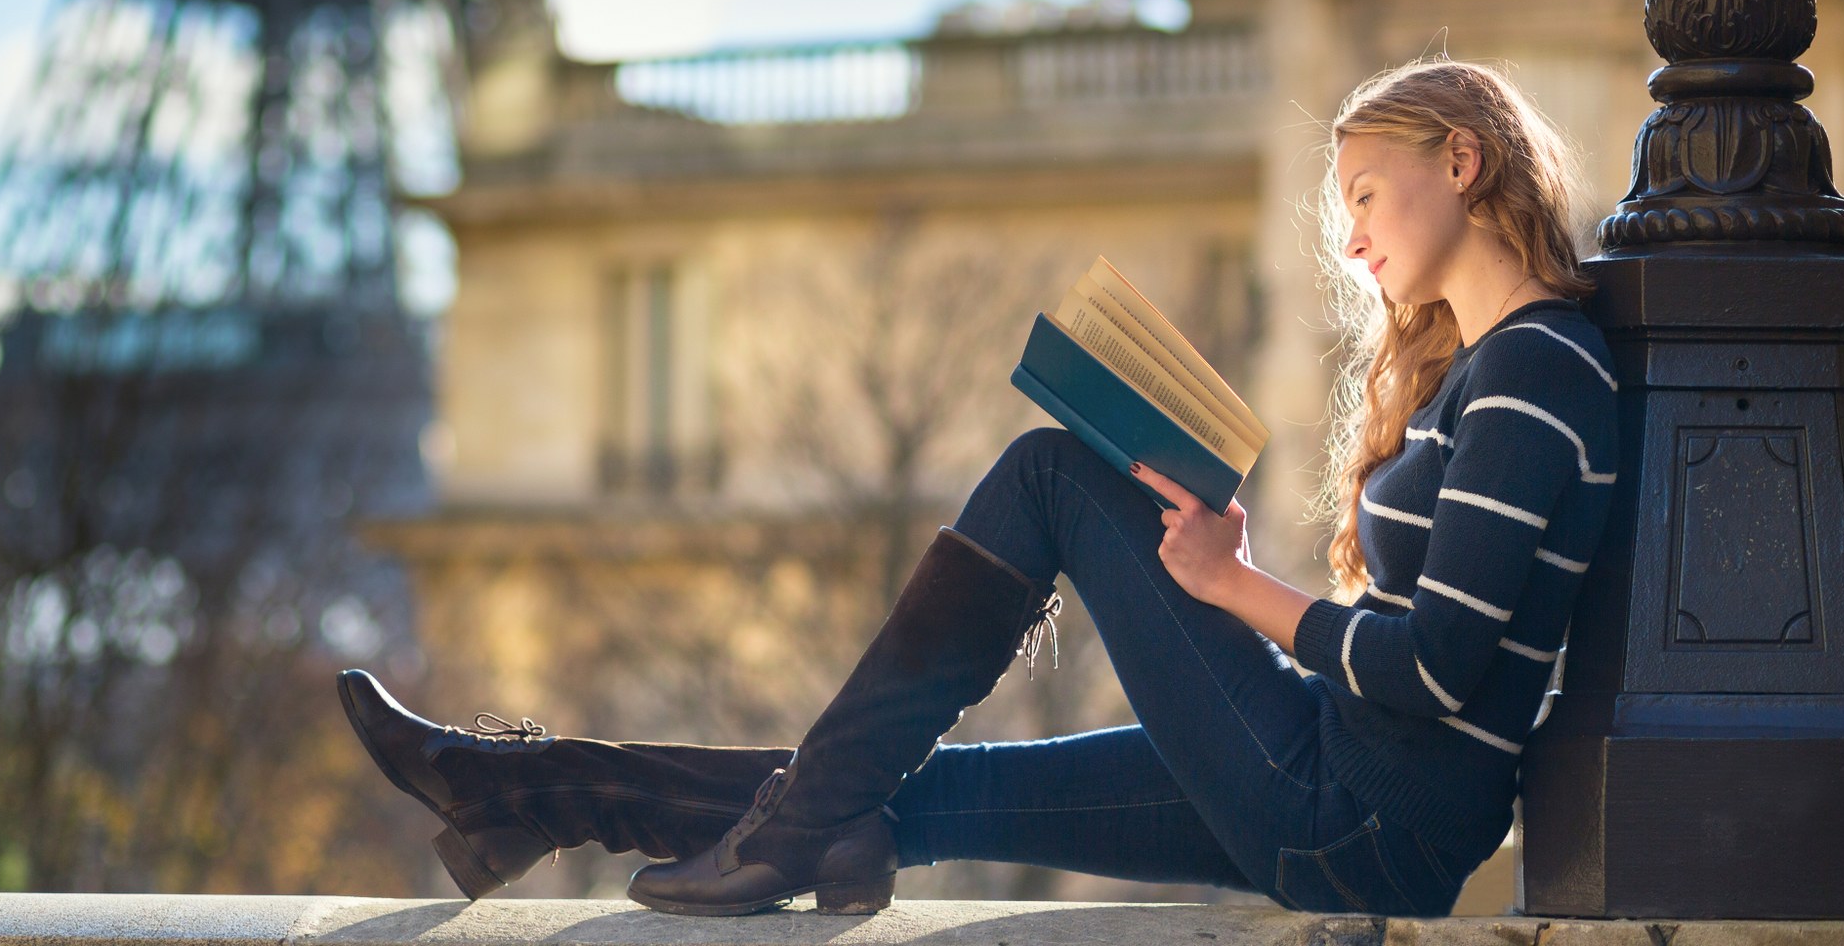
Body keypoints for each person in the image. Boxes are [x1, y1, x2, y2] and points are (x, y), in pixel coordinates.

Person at [337, 57, 1620, 917]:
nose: (1349, 237)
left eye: (1363, 194)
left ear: (1461, 161)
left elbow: (1439, 669)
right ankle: (528, 795)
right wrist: (1227, 576)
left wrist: (1237, 588)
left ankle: (605, 805)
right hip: (1335, 775)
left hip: (1362, 815)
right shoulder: (1496, 370)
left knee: (1056, 473)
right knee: (902, 801)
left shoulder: (1534, 372)